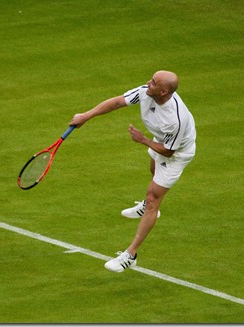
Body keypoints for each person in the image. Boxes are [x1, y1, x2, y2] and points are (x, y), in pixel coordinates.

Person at [70, 70, 196, 273]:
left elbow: (169, 152)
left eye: (153, 82)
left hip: (177, 153)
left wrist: (143, 140)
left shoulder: (175, 120)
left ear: (163, 92)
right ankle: (148, 207)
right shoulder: (147, 92)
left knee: (154, 197)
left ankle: (131, 255)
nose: (148, 83)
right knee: (153, 168)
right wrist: (87, 116)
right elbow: (118, 102)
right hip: (160, 140)